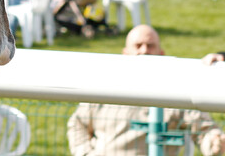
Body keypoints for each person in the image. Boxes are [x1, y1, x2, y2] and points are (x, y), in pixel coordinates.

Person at [68, 25, 225, 155]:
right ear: (125, 54)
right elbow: (77, 123)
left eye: (150, 46)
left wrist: (215, 143)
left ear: (161, 53)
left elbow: (204, 130)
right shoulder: (105, 88)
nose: (144, 51)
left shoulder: (175, 92)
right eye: (138, 46)